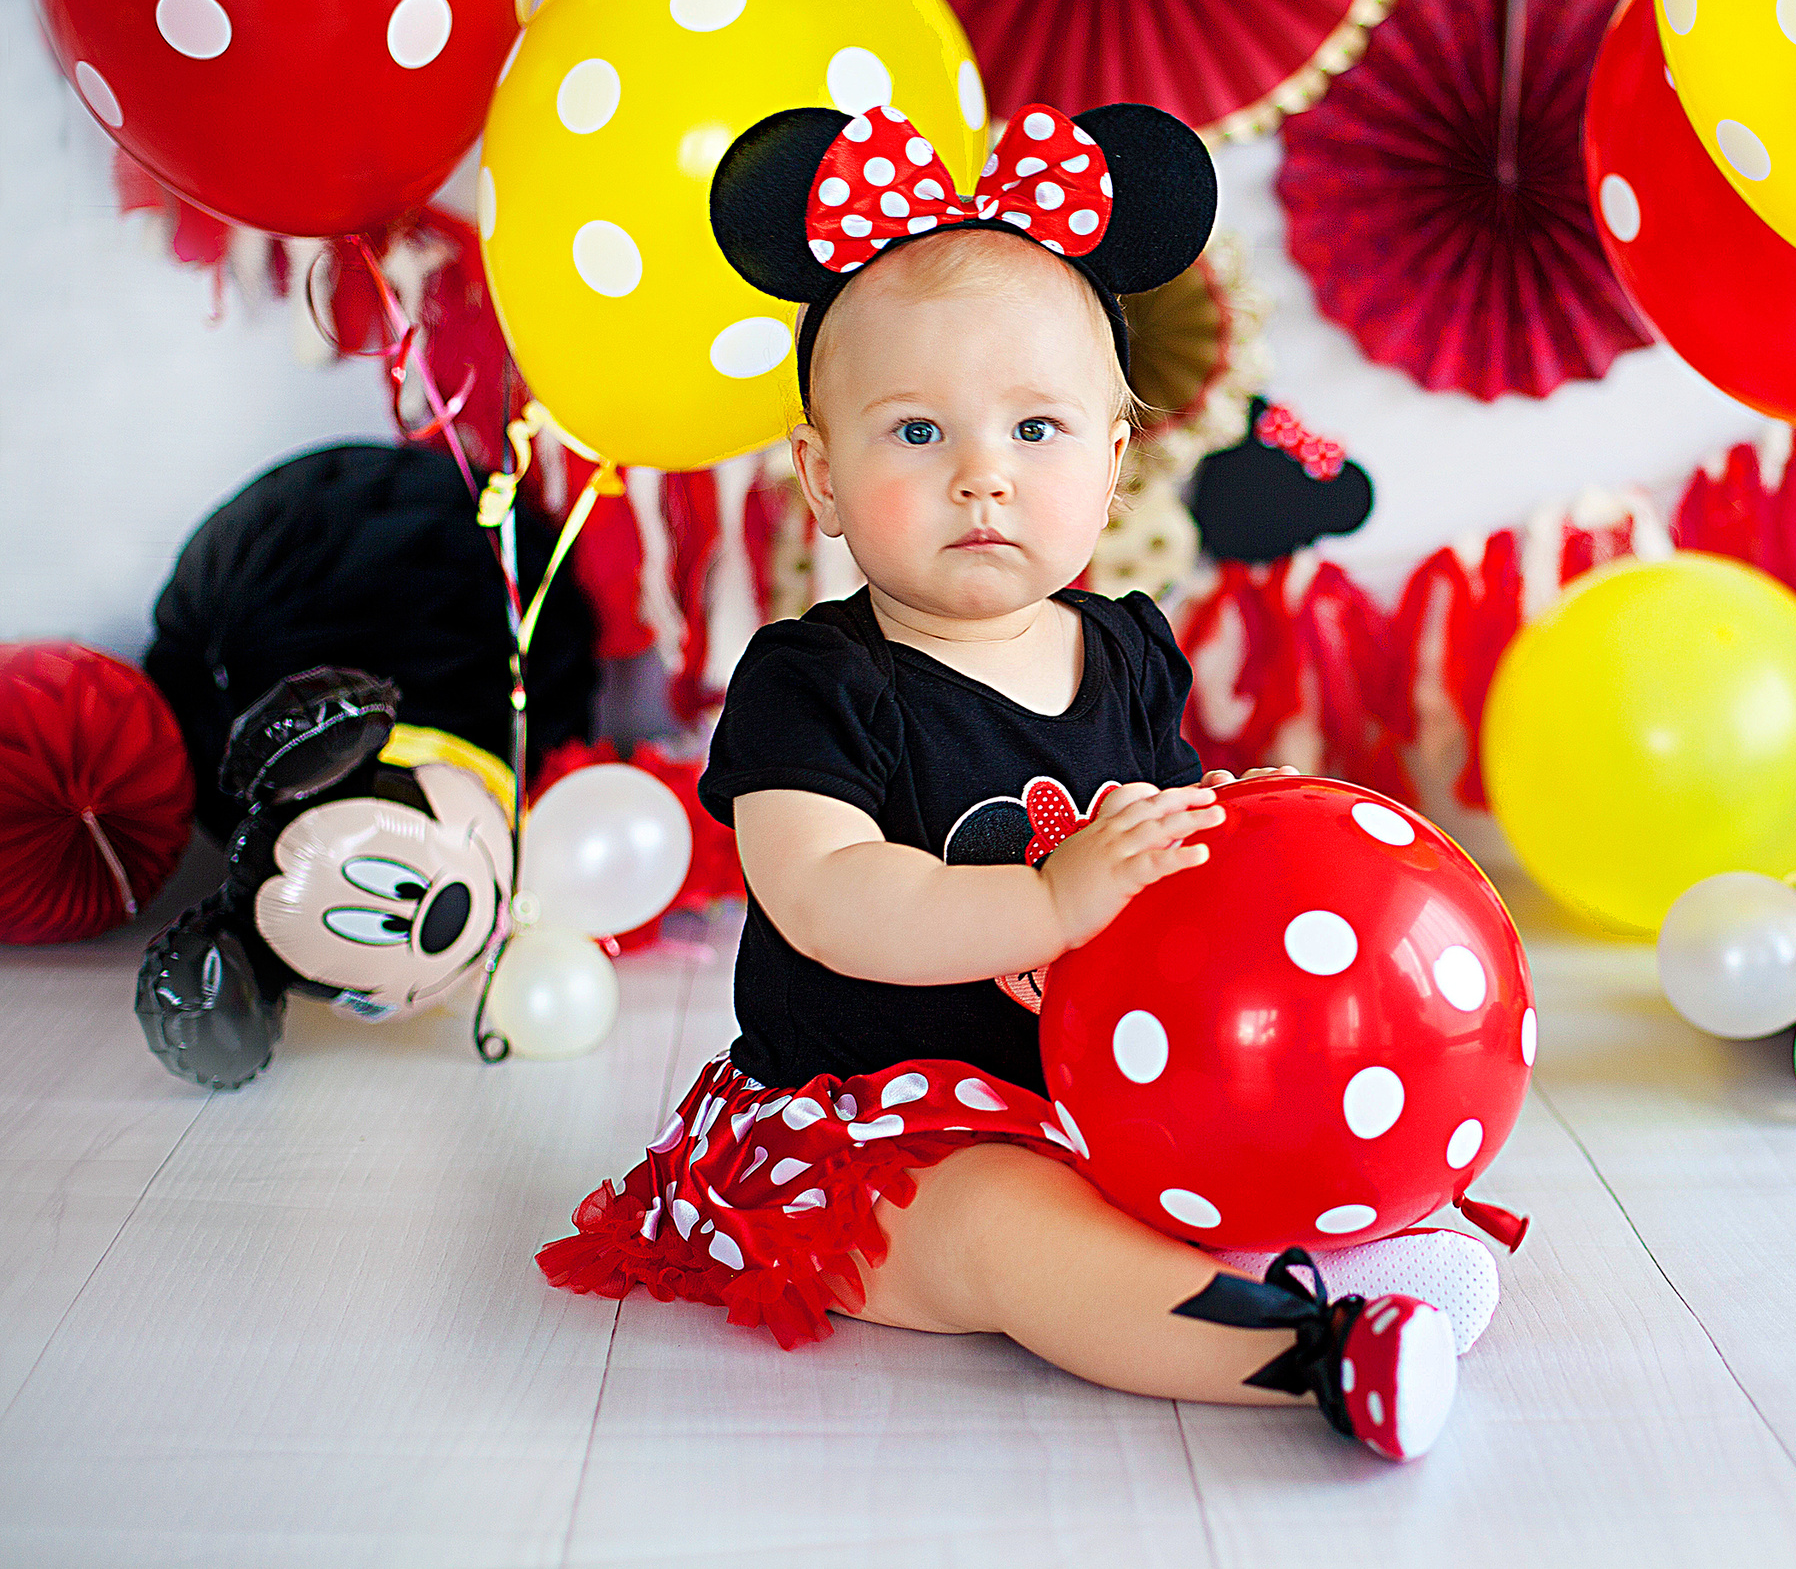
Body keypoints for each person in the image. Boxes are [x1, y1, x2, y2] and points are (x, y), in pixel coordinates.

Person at [537, 99, 1499, 1462]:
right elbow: (830, 898)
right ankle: (1309, 1359)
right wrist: (1050, 909)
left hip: (1099, 1092)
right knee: (1003, 1236)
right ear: (820, 476)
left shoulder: (1126, 651)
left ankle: (1320, 1247)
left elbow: (1168, 862)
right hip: (873, 1130)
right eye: (918, 434)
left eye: (1037, 430)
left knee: (1238, 1119)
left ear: (1114, 464)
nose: (983, 476)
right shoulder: (813, 683)